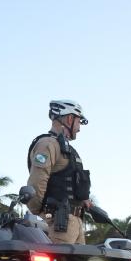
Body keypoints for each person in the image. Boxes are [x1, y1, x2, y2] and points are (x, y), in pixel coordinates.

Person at [26, 100, 92, 244]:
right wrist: (42, 215)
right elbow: (37, 182)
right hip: (59, 223)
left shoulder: (69, 150)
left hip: (75, 223)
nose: (79, 128)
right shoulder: (48, 144)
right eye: (78, 121)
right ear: (69, 118)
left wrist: (83, 200)